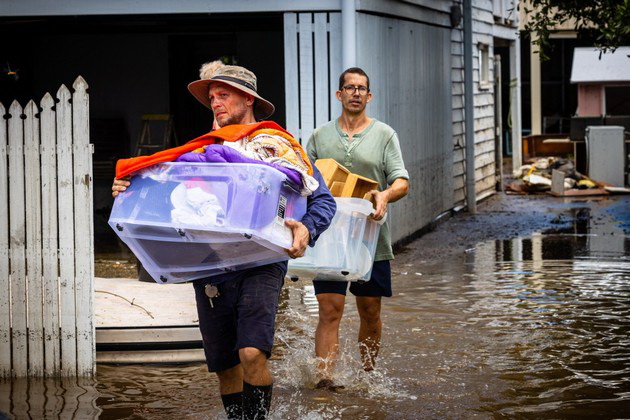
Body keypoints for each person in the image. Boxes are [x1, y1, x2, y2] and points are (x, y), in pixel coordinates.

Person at [112, 61, 336, 419]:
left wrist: (307, 227)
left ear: (247, 99)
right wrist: (130, 186)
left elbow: (323, 201)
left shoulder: (279, 146)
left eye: (223, 95)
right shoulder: (201, 150)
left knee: (251, 353)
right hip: (212, 263)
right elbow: (167, 196)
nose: (215, 102)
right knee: (224, 366)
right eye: (212, 97)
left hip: (262, 261)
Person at [305, 67, 409, 390]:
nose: (355, 93)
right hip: (329, 239)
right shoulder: (319, 137)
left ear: (369, 95)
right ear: (339, 95)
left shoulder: (384, 135)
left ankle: (368, 376)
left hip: (371, 238)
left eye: (361, 88)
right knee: (329, 309)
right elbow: (303, 181)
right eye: (349, 88)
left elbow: (402, 181)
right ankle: (325, 380)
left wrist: (385, 195)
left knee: (370, 312)